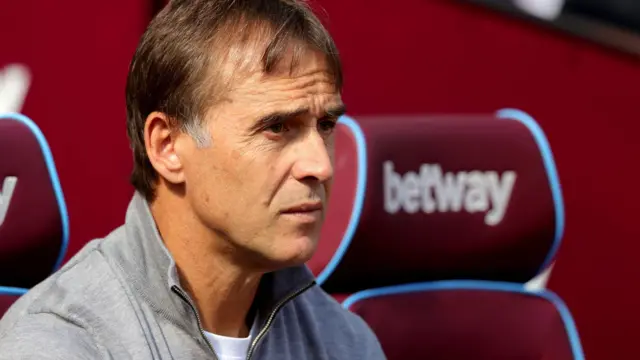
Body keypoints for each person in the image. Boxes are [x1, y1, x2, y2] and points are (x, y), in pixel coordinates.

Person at [0, 0, 386, 359]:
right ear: (167, 147)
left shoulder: (344, 341)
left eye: (326, 125)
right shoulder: (60, 342)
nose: (320, 165)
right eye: (277, 127)